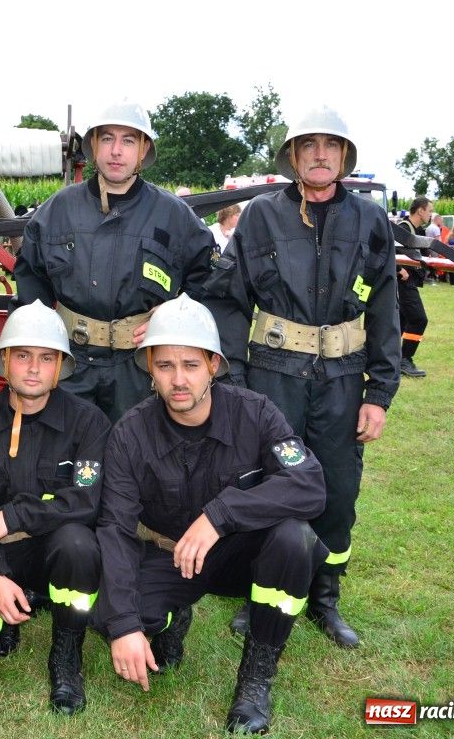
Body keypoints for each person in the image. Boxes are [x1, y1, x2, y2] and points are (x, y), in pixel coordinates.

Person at [204, 106, 401, 650]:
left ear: (344, 156)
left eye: (330, 145)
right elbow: (229, 303)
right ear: (292, 156)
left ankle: (324, 597)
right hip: (272, 378)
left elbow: (386, 310)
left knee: (337, 489)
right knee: (266, 482)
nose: (319, 154)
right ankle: (257, 590)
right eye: (308, 145)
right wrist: (236, 385)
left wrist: (379, 394)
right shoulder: (261, 217)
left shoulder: (370, 221)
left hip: (343, 380)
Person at [95, 294, 328, 735]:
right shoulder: (129, 433)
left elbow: (310, 485)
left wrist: (221, 513)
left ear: (214, 366)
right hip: (171, 555)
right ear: (149, 369)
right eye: (165, 366)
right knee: (105, 617)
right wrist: (124, 626)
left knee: (294, 539)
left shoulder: (255, 413)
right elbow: (116, 529)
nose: (178, 379)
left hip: (241, 554)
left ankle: (256, 678)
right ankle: (170, 620)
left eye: (191, 365)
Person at [0, 300, 110, 716]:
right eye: (23, 356)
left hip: (54, 548)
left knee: (79, 545)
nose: (33, 368)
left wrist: (13, 516)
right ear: (4, 362)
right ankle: (6, 610)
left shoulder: (89, 424)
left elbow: (87, 500)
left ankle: (66, 653)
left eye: (46, 358)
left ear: (60, 365)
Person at [13, 100, 216, 423]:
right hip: (70, 366)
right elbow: (29, 283)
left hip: (139, 368)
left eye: (128, 140)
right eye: (107, 139)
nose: (116, 151)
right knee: (64, 455)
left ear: (143, 149)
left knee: (135, 454)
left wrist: (174, 319)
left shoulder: (174, 217)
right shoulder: (57, 210)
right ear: (94, 146)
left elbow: (209, 283)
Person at [397, 197, 432, 377]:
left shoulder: (419, 230)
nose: (431, 215)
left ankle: (396, 360)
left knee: (402, 322)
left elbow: (426, 254)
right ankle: (405, 359)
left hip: (409, 282)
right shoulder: (403, 228)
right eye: (429, 211)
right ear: (420, 210)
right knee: (419, 320)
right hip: (402, 282)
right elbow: (385, 249)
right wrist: (399, 268)